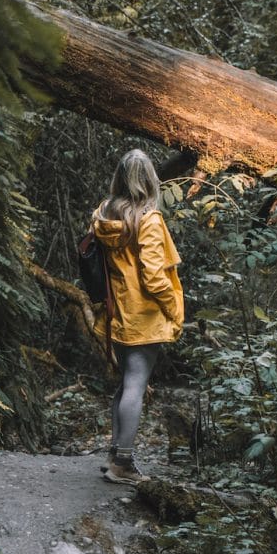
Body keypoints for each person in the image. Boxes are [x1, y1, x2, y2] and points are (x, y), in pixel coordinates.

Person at [91, 149, 184, 484]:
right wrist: (173, 310)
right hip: (144, 314)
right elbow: (155, 276)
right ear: (148, 179)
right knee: (135, 384)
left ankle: (115, 452)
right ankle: (123, 464)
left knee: (126, 383)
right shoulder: (147, 219)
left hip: (118, 310)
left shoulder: (104, 213)